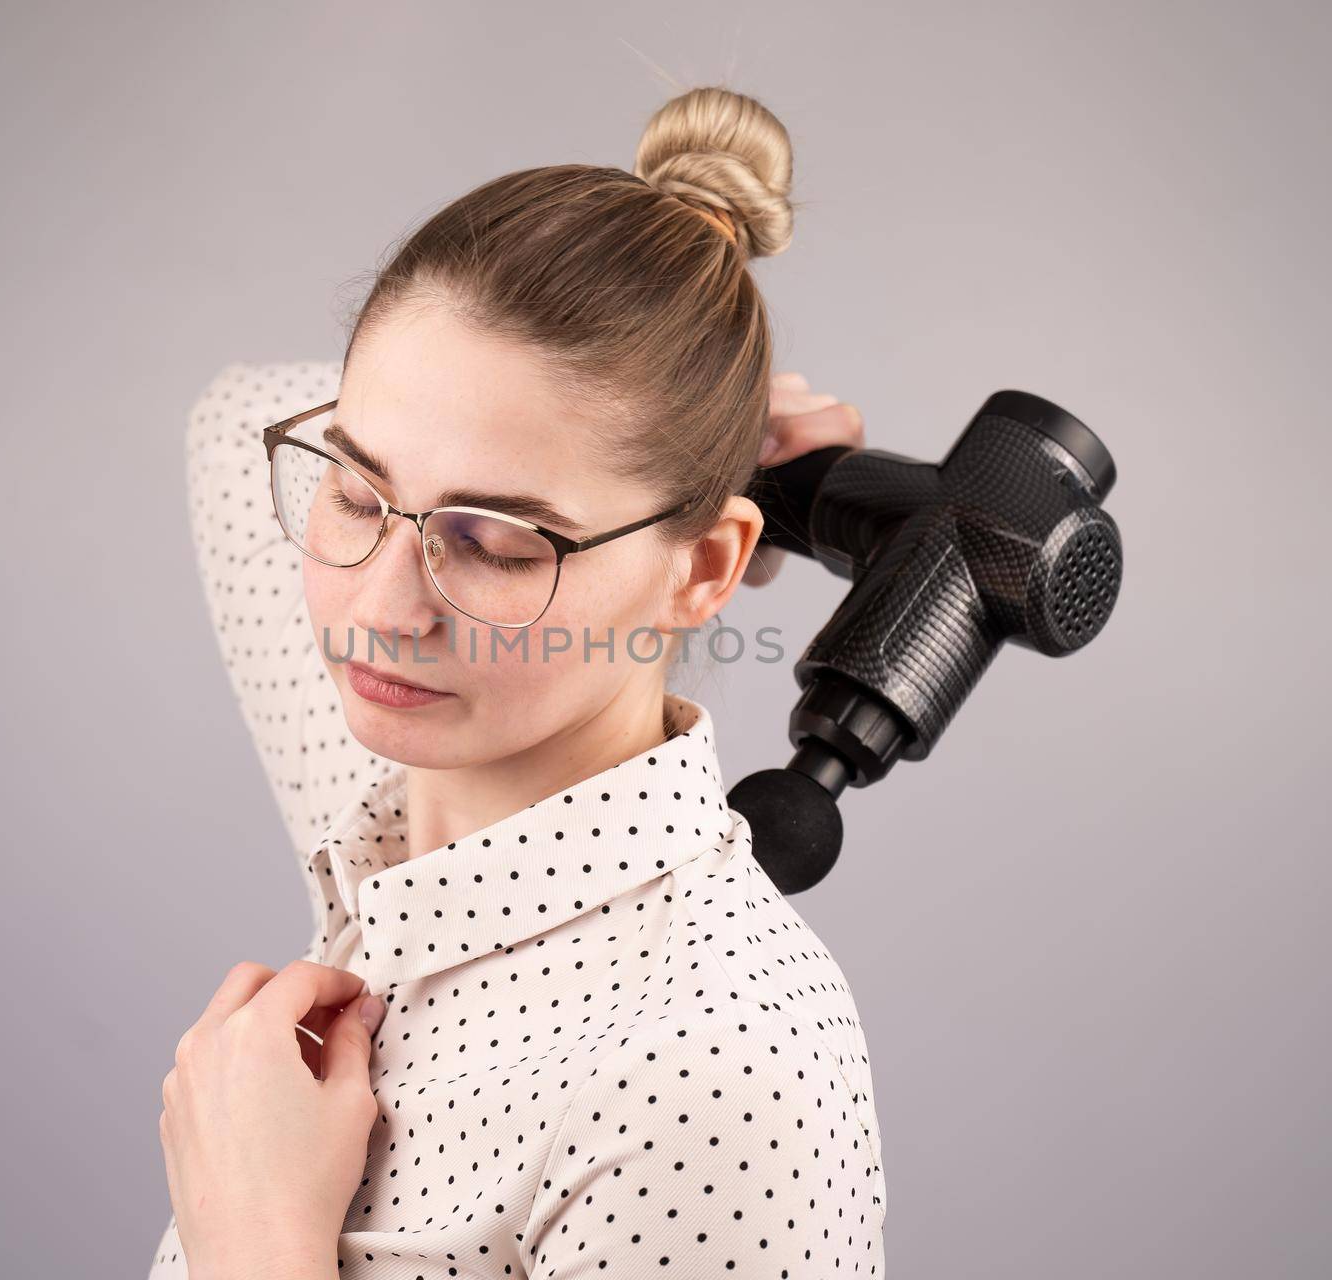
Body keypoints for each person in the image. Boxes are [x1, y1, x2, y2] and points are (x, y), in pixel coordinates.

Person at [151, 86, 884, 1280]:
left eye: (493, 542)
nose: (382, 607)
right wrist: (722, 425)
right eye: (350, 489)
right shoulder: (395, 805)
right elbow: (238, 422)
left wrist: (256, 1240)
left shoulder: (716, 1063)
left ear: (703, 569)